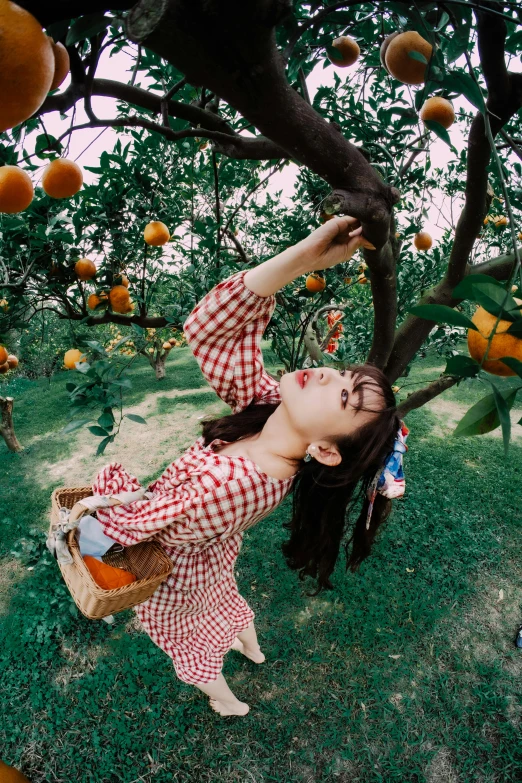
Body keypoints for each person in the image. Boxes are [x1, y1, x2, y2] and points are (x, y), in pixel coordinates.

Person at [87, 215, 405, 717]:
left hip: (176, 580)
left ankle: (228, 702)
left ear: (325, 449)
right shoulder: (265, 412)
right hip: (208, 564)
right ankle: (252, 649)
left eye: (341, 395)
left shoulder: (240, 483)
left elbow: (154, 531)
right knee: (225, 602)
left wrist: (95, 520)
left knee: (191, 646)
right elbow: (209, 330)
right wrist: (304, 257)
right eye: (340, 373)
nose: (322, 372)